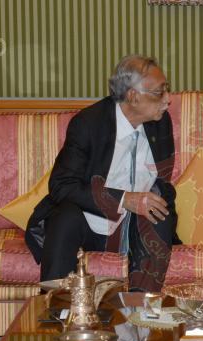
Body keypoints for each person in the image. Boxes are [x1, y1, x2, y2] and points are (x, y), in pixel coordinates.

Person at [25, 55, 177, 292]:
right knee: (64, 218)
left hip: (137, 224)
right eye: (159, 92)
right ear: (133, 96)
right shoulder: (88, 124)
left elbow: (162, 179)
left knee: (160, 212)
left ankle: (142, 306)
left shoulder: (160, 122)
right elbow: (62, 186)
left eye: (167, 89)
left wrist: (151, 199)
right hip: (89, 222)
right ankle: (55, 304)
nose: (168, 99)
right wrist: (125, 199)